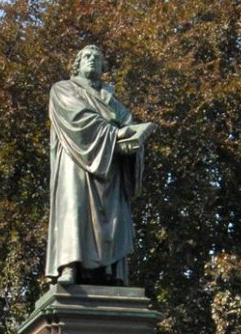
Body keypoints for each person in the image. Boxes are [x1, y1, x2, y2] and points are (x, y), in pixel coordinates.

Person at [46, 45, 158, 286]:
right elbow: (78, 120)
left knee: (112, 219)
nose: (92, 60)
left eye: (97, 58)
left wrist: (132, 142)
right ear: (76, 63)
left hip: (110, 172)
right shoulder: (62, 89)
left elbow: (128, 124)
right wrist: (117, 134)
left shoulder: (110, 98)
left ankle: (110, 271)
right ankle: (69, 266)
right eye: (87, 56)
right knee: (74, 210)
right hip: (76, 164)